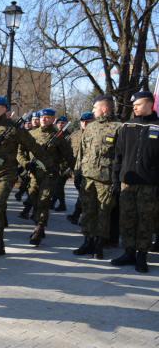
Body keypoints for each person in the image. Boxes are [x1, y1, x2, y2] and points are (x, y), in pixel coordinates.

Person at [0, 96, 53, 259]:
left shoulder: (14, 129)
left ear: (4, 110)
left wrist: (49, 166)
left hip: (6, 175)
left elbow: (34, 147)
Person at [110, 91, 159, 273]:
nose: (134, 107)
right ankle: (129, 252)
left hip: (150, 185)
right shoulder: (127, 126)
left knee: (146, 220)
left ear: (149, 104)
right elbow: (119, 156)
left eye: (137, 104)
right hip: (127, 183)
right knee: (127, 218)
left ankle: (141, 256)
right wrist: (116, 180)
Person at [73, 95, 121, 259]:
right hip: (88, 177)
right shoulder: (91, 127)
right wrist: (77, 172)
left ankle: (99, 244)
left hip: (106, 180)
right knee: (87, 211)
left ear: (105, 108)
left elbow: (121, 156)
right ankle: (87, 242)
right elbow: (82, 151)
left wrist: (117, 179)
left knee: (103, 213)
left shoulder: (118, 128)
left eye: (95, 108)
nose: (93, 111)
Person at [18, 108, 74, 246]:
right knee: (33, 199)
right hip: (34, 174)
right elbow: (20, 152)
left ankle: (39, 229)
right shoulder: (31, 134)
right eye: (43, 117)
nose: (44, 119)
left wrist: (66, 170)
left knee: (44, 201)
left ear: (53, 119)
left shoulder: (58, 137)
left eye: (48, 117)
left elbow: (68, 156)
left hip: (49, 175)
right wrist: (25, 163)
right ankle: (39, 223)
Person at [66, 111, 94, 224]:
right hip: (76, 169)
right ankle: (78, 214)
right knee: (82, 193)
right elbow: (67, 151)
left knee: (85, 194)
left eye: (88, 122)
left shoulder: (95, 134)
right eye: (83, 121)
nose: (85, 124)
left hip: (90, 170)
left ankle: (79, 215)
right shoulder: (75, 135)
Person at [51, 115, 70, 211]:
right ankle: (53, 202)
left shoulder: (68, 136)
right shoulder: (56, 134)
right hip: (56, 165)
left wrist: (68, 168)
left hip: (64, 166)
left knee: (58, 185)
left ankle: (62, 205)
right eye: (59, 123)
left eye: (63, 123)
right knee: (56, 185)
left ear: (66, 124)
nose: (60, 124)